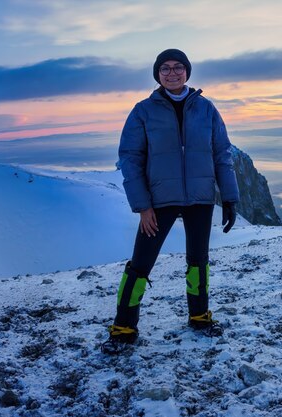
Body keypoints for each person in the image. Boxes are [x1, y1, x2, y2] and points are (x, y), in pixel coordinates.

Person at [101, 49, 239, 354]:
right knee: (141, 263)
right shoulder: (143, 111)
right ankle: (124, 326)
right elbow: (130, 158)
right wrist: (142, 206)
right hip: (159, 201)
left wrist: (229, 197)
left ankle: (200, 316)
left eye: (178, 67)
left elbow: (221, 154)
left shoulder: (206, 109)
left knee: (198, 261)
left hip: (200, 199)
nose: (172, 73)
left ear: (187, 72)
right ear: (157, 74)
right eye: (165, 68)